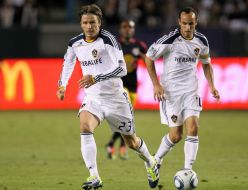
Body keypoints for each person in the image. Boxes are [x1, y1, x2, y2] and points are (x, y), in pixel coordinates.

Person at [56, 4, 159, 190]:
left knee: (131, 142)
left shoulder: (109, 40)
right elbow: (68, 62)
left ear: (99, 22)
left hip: (116, 99)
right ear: (80, 24)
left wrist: (96, 77)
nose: (89, 26)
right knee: (85, 126)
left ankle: (150, 162)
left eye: (92, 23)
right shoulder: (75, 43)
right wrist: (62, 85)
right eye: (85, 23)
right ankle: (94, 175)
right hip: (93, 98)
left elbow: (122, 69)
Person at [145, 7, 220, 188]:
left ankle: (187, 170)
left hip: (191, 91)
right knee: (176, 136)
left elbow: (206, 64)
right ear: (179, 22)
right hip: (170, 93)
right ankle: (155, 161)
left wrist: (212, 86)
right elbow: (148, 57)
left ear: (196, 22)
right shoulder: (170, 40)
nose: (187, 27)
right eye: (184, 23)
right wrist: (156, 84)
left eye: (191, 23)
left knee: (193, 128)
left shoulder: (201, 41)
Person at [105, 19, 147, 160]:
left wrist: (145, 59)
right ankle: (120, 145)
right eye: (124, 27)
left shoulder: (139, 45)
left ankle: (114, 144)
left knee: (126, 119)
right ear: (120, 29)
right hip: (119, 87)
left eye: (130, 27)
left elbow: (149, 61)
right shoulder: (115, 45)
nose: (127, 29)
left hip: (133, 86)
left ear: (133, 30)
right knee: (126, 116)